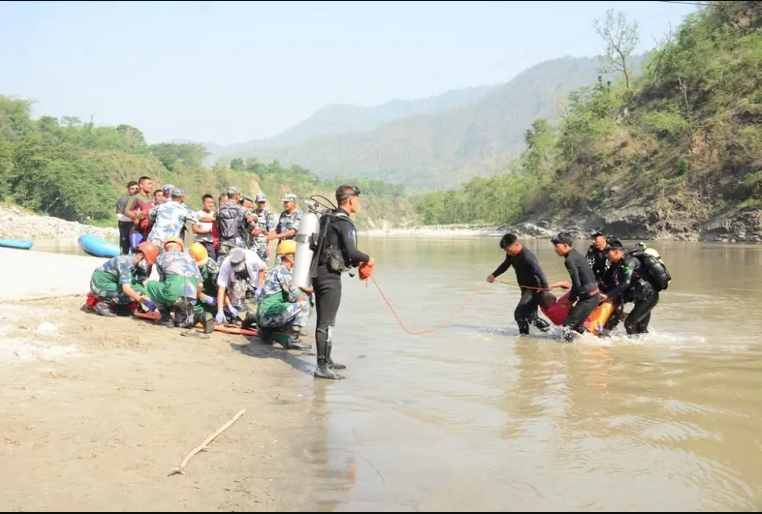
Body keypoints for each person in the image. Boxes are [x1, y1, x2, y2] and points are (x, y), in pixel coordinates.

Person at [311, 185, 374, 380]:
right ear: (350, 200)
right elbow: (352, 252)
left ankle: (327, 360)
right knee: (326, 322)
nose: (358, 202)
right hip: (330, 276)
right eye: (357, 198)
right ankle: (321, 367)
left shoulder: (328, 218)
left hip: (319, 272)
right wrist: (369, 258)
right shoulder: (343, 222)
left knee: (325, 320)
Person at [486, 234, 551, 335]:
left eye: (508, 249)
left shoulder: (527, 257)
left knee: (518, 313)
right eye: (506, 251)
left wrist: (546, 291)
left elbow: (539, 272)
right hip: (524, 290)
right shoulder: (511, 255)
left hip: (533, 289)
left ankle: (523, 337)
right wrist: (493, 275)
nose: (507, 252)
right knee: (531, 318)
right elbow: (505, 265)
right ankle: (551, 334)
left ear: (516, 244)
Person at [146, 237, 213, 332]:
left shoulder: (161, 257)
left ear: (166, 248)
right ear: (181, 248)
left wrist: (166, 305)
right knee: (182, 322)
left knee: (150, 285)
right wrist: (191, 301)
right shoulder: (190, 258)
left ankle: (166, 319)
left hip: (173, 293)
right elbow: (200, 285)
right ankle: (201, 316)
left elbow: (162, 282)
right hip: (191, 294)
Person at [255, 240, 312, 351]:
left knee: (293, 302)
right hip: (267, 315)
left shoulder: (277, 270)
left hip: (264, 313)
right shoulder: (284, 273)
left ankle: (268, 331)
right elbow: (297, 298)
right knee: (304, 303)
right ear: (290, 257)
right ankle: (293, 339)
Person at [548, 232, 600, 342]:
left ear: (566, 245)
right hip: (593, 296)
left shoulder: (569, 260)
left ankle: (569, 353)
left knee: (567, 326)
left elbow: (576, 284)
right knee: (578, 327)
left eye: (557, 246)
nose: (555, 249)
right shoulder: (574, 255)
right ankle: (597, 343)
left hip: (588, 298)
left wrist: (570, 301)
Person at [89, 241, 158, 317]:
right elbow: (126, 289)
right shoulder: (126, 263)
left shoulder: (136, 265)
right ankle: (102, 305)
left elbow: (146, 284)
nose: (147, 264)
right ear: (140, 256)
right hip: (99, 285)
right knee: (135, 291)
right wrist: (145, 302)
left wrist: (158, 299)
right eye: (146, 260)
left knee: (139, 288)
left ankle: (120, 307)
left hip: (109, 283)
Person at [215, 247, 266, 327]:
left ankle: (260, 318)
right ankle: (234, 313)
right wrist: (220, 311)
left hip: (253, 277)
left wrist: (259, 287)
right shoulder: (226, 264)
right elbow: (221, 289)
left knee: (263, 295)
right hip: (236, 278)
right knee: (235, 291)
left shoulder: (251, 256)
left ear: (244, 260)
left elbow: (261, 270)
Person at [598, 239, 640, 333]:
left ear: (616, 252)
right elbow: (615, 283)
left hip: (646, 296)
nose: (606, 255)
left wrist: (608, 295)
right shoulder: (616, 264)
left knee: (630, 324)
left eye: (607, 252)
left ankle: (635, 344)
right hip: (632, 295)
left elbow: (625, 283)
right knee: (610, 324)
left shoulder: (627, 262)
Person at [216, 186, 255, 260]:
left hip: (223, 242)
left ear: (228, 196)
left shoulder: (219, 209)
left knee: (223, 264)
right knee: (239, 265)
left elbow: (217, 223)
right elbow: (252, 224)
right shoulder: (241, 209)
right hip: (237, 242)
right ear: (237, 197)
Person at [188, 242, 220, 317]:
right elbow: (186, 287)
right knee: (190, 311)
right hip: (194, 294)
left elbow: (220, 286)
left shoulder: (211, 266)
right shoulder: (186, 266)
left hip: (211, 293)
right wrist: (203, 296)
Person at [271, 193, 302, 264]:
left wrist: (276, 236)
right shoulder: (283, 214)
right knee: (279, 267)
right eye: (284, 202)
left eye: (286, 202)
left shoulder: (299, 214)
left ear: (293, 203)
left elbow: (292, 232)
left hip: (291, 249)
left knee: (290, 270)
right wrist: (269, 235)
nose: (284, 204)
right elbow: (278, 229)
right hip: (281, 247)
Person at [124, 176, 154, 249]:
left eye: (151, 184)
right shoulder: (135, 197)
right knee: (137, 251)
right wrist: (137, 216)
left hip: (149, 230)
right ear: (141, 185)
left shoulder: (150, 198)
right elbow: (126, 211)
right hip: (137, 231)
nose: (151, 186)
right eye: (148, 184)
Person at [251, 193, 276, 263]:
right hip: (253, 244)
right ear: (256, 202)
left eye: (263, 202)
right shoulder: (252, 213)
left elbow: (271, 232)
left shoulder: (268, 214)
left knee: (263, 267)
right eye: (260, 202)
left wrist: (268, 247)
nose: (261, 204)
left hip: (263, 245)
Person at [193, 194, 217, 261]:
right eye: (208, 202)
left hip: (212, 244)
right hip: (200, 242)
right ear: (203, 203)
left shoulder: (215, 214)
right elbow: (195, 229)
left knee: (213, 263)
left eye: (212, 202)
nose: (210, 204)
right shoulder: (197, 214)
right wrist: (208, 231)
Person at [117, 181, 139, 255]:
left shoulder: (143, 200)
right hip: (125, 228)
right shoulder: (123, 200)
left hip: (137, 228)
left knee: (136, 250)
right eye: (132, 189)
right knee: (124, 250)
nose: (135, 190)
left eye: (136, 188)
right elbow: (119, 216)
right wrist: (133, 218)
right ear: (128, 189)